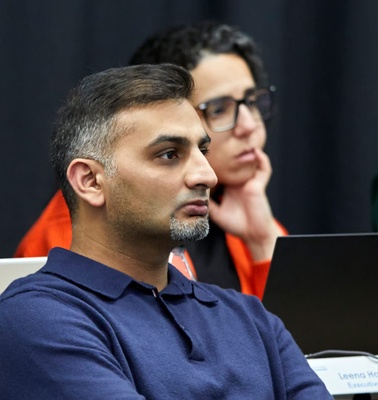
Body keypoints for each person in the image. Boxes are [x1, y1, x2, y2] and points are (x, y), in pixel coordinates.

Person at [0, 64, 331, 399]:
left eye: (202, 151)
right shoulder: (34, 319)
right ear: (90, 181)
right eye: (169, 154)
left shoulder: (253, 318)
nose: (207, 176)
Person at [14, 21, 286, 299]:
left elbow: (292, 336)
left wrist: (263, 238)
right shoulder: (77, 233)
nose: (249, 125)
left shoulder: (239, 204)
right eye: (218, 109)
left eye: (252, 101)